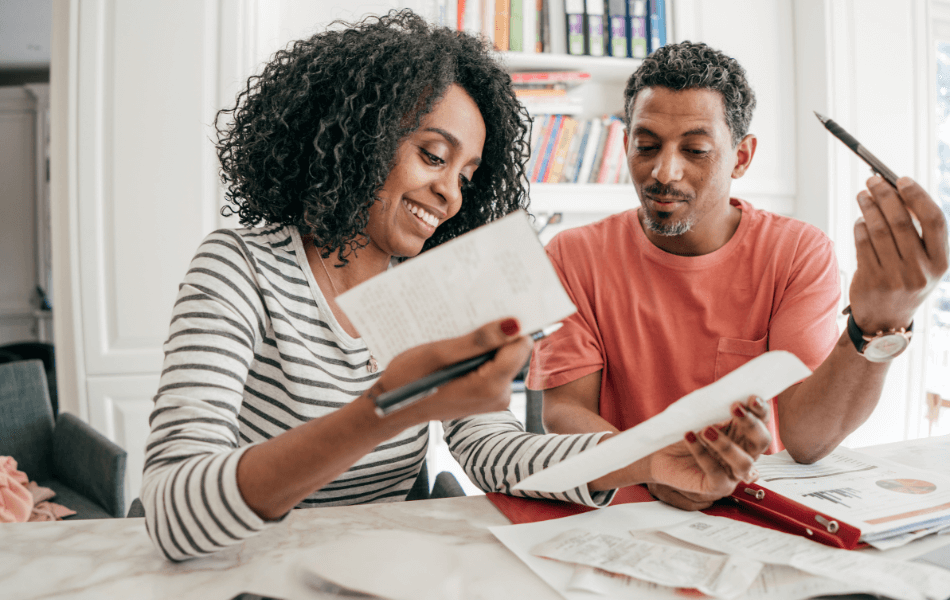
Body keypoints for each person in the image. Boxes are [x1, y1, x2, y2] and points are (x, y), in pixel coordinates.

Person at [141, 14, 773, 562]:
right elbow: (172, 506)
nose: (451, 195)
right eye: (433, 156)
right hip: (242, 567)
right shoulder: (240, 269)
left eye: (468, 174)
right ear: (356, 138)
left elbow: (493, 451)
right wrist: (388, 408)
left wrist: (646, 456)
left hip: (371, 566)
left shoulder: (430, 293)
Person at [529, 41, 949, 510]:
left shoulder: (796, 252)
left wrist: (875, 323)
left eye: (696, 150)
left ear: (741, 157)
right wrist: (652, 467)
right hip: (619, 510)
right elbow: (565, 409)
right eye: (646, 146)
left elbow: (806, 441)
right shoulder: (572, 254)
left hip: (749, 511)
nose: (664, 172)